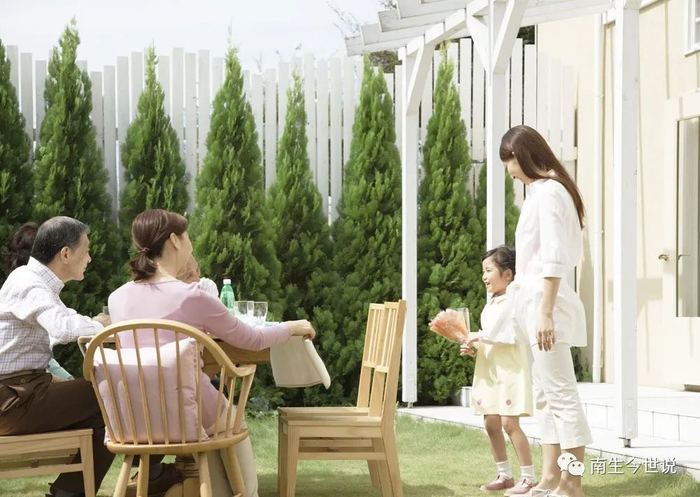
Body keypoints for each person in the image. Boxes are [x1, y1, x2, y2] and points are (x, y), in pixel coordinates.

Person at [108, 209, 316, 497]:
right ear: (174, 240)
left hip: (135, 414)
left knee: (211, 426)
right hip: (190, 409)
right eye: (187, 236)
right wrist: (292, 327)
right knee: (225, 420)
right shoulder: (193, 296)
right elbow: (251, 338)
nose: (190, 242)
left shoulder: (117, 297)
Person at [468, 125, 592, 497]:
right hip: (534, 306)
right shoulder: (542, 191)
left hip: (544, 306)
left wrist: (545, 313)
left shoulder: (551, 192)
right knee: (546, 398)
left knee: (561, 395)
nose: (510, 171)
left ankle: (573, 483)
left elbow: (553, 257)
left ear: (523, 155)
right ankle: (551, 477)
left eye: (510, 162)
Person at [0, 216, 114, 497]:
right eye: (86, 250)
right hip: (13, 400)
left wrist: (95, 324)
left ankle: (68, 492)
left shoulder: (35, 282)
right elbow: (62, 328)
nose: (90, 258)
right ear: (65, 253)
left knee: (102, 411)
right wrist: (104, 327)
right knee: (113, 392)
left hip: (22, 393)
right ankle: (153, 473)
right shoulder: (30, 283)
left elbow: (64, 318)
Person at [458, 246, 536, 495]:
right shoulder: (490, 303)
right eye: (483, 271)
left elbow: (507, 335)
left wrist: (478, 336)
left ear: (508, 274)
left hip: (509, 371)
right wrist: (474, 348)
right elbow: (490, 338)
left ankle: (529, 478)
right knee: (490, 423)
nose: (484, 276)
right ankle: (504, 475)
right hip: (489, 371)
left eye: (489, 270)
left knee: (510, 424)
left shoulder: (514, 301)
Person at [4, 222, 74, 381]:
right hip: (22, 381)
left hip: (35, 372)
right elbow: (63, 328)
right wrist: (98, 325)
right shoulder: (30, 288)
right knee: (89, 391)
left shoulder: (24, 286)